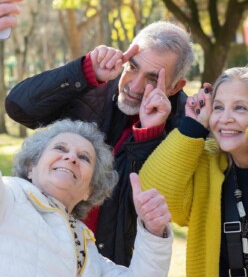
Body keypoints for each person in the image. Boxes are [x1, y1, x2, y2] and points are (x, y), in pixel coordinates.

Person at [5, 20, 194, 265]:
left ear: (175, 87)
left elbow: (140, 204)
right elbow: (19, 108)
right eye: (132, 67)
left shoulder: (183, 127)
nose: (134, 86)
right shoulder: (94, 84)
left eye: (151, 79)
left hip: (103, 262)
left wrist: (149, 133)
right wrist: (83, 71)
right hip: (39, 245)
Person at [0, 118, 173, 277]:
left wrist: (154, 232)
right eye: (60, 148)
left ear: (89, 190)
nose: (71, 157)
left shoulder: (88, 251)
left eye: (84, 157)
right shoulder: (10, 196)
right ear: (31, 167)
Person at [139, 67, 248, 276]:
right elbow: (152, 191)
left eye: (240, 108)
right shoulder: (208, 163)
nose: (225, 118)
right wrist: (193, 126)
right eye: (218, 108)